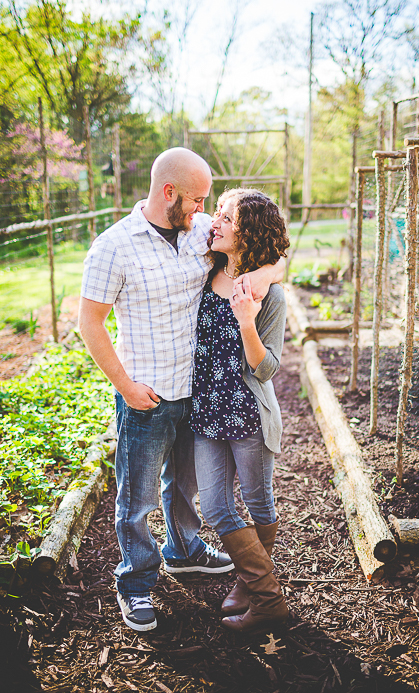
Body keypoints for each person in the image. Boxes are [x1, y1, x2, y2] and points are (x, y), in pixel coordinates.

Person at [79, 148, 284, 632]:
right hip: (146, 397)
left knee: (183, 488)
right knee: (137, 500)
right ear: (169, 192)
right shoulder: (114, 246)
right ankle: (135, 583)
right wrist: (125, 387)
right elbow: (90, 324)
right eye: (197, 200)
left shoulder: (200, 233)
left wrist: (264, 275)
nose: (205, 212)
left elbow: (267, 251)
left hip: (197, 397)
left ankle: (185, 551)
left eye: (211, 205)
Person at [191, 188, 290, 633]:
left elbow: (266, 369)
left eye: (226, 217)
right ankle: (265, 593)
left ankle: (255, 590)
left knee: (257, 502)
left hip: (248, 413)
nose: (215, 221)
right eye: (216, 213)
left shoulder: (269, 295)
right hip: (206, 411)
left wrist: (247, 321)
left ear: (248, 231)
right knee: (215, 506)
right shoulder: (205, 271)